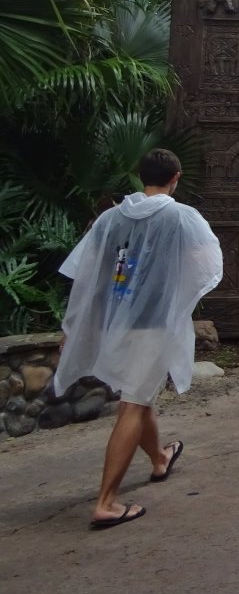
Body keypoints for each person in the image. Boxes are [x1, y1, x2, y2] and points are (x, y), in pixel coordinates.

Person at [53, 148, 223, 529]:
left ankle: (160, 458)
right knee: (132, 404)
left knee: (139, 395)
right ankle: (106, 502)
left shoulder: (112, 218)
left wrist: (76, 326)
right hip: (153, 325)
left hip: (117, 320)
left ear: (140, 175)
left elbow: (89, 274)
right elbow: (206, 265)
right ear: (175, 178)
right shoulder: (181, 217)